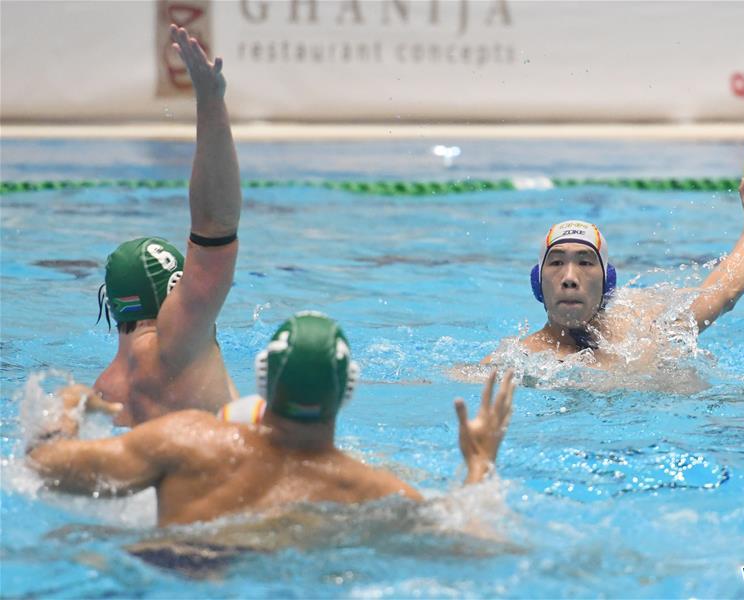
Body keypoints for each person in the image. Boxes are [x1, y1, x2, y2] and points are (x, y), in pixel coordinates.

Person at [26, 313, 515, 527]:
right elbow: (470, 542)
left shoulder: (184, 439)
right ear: (347, 391)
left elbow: (45, 464)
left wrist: (67, 406)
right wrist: (479, 463)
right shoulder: (371, 489)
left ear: (263, 379)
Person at [91, 25, 242, 426]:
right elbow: (215, 226)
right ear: (173, 291)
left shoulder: (102, 392)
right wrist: (210, 101)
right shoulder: (178, 345)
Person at [485, 180, 744, 365]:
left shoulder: (641, 325)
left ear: (608, 283)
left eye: (585, 262)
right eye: (556, 263)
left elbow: (723, 294)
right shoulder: (519, 360)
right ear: (537, 284)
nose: (569, 277)